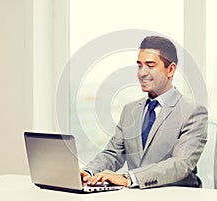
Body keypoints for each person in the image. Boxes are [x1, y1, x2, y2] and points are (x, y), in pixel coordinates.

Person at [80, 36, 208, 189]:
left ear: (171, 69)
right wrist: (90, 172)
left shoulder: (192, 111)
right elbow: (113, 153)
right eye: (139, 66)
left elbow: (181, 164)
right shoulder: (130, 110)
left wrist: (129, 178)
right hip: (136, 195)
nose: (142, 73)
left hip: (176, 195)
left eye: (150, 65)